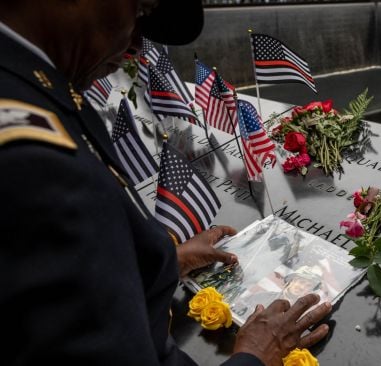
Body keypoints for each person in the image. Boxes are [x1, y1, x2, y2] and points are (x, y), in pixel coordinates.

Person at [0, 1, 331, 365]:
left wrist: (160, 264)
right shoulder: (33, 162)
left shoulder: (28, 91)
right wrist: (253, 356)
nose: (137, 46)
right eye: (139, 11)